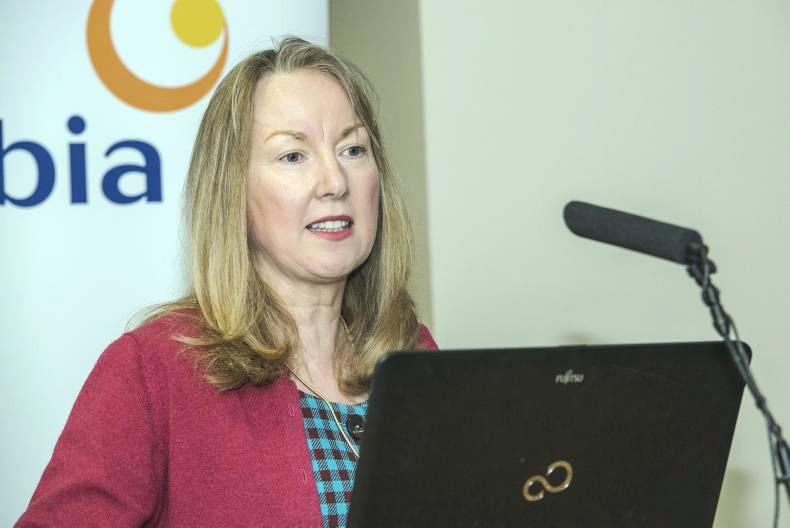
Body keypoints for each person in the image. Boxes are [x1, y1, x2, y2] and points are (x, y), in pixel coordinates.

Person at [17, 37, 437, 527]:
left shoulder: (413, 354)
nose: (335, 181)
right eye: (293, 156)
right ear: (232, 189)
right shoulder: (151, 371)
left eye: (353, 149)